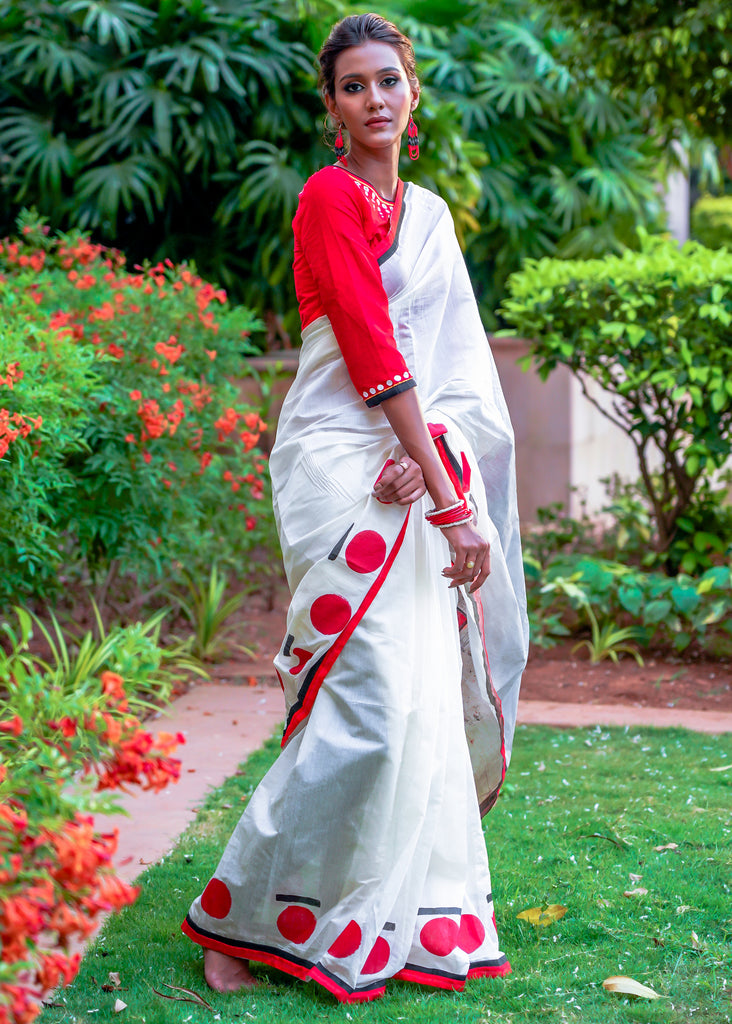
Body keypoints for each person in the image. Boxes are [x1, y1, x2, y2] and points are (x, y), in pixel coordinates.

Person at [182, 12, 528, 1004]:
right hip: (340, 461)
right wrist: (453, 501)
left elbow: (450, 365)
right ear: (331, 106)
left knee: (411, 700)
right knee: (369, 699)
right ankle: (244, 920)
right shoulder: (328, 199)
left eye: (389, 80)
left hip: (414, 459)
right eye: (353, 85)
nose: (375, 98)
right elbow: (372, 354)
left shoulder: (432, 216)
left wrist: (432, 467)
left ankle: (394, 911)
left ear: (413, 93)